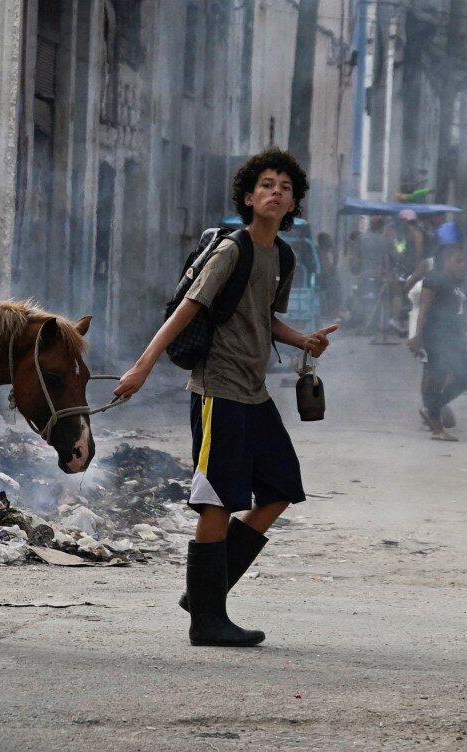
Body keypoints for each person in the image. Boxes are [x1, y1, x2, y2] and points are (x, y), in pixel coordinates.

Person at [113, 149, 336, 648]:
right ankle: (207, 620)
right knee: (217, 499)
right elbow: (186, 311)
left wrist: (304, 341)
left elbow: (264, 317)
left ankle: (204, 594)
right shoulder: (231, 250)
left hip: (253, 392)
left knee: (280, 487)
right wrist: (142, 367)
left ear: (294, 200)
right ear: (249, 197)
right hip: (218, 389)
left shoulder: (282, 255)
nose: (276, 192)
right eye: (267, 185)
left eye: (285, 186)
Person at [410, 243, 467, 441]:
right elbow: (424, 311)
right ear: (446, 260)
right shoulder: (434, 279)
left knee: (465, 379)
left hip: (453, 338)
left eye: (464, 261)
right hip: (437, 338)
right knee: (437, 380)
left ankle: (431, 410)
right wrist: (417, 337)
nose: (462, 265)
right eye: (458, 260)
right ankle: (437, 428)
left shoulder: (452, 281)